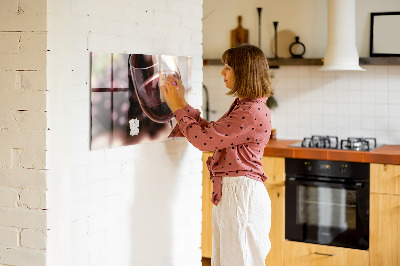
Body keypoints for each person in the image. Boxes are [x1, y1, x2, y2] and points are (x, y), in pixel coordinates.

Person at [161, 44, 273, 266]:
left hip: (241, 195)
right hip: (236, 193)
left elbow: (204, 141)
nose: (222, 72)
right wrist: (182, 103)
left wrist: (176, 108)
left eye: (228, 67)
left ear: (244, 72)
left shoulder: (250, 111)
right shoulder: (246, 106)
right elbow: (212, 133)